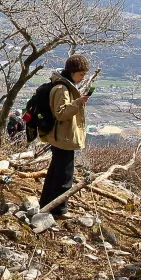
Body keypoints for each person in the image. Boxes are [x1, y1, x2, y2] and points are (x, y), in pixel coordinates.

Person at [39, 54, 92, 217]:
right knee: (64, 176)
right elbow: (61, 113)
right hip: (63, 138)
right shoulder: (62, 88)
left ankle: (46, 204)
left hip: (62, 137)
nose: (83, 78)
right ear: (72, 71)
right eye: (81, 74)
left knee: (56, 171)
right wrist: (78, 102)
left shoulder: (65, 85)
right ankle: (59, 209)